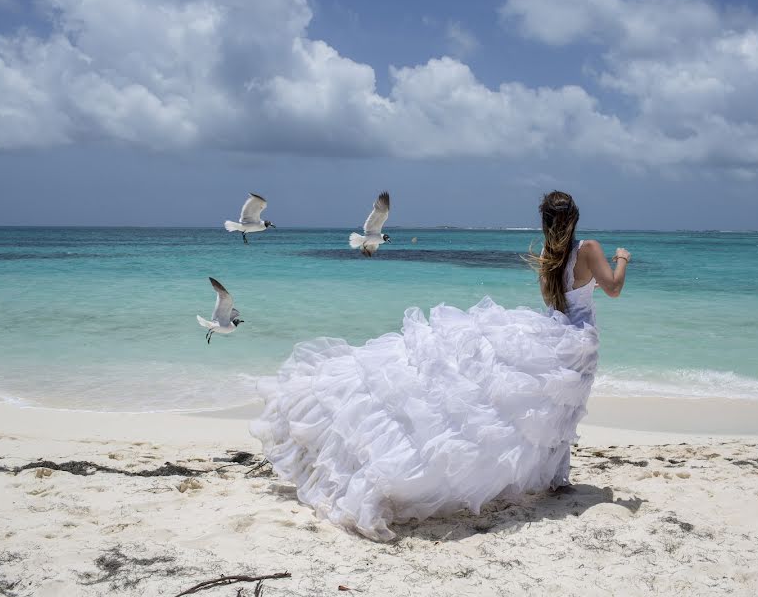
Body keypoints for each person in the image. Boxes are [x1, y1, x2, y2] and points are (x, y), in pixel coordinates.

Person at [250, 190, 630, 541]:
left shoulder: (551, 253)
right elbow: (612, 288)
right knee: (556, 408)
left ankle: (556, 475)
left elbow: (560, 297)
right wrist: (623, 260)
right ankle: (555, 479)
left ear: (546, 220)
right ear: (575, 217)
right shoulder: (587, 248)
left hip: (553, 328)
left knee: (540, 407)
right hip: (576, 337)